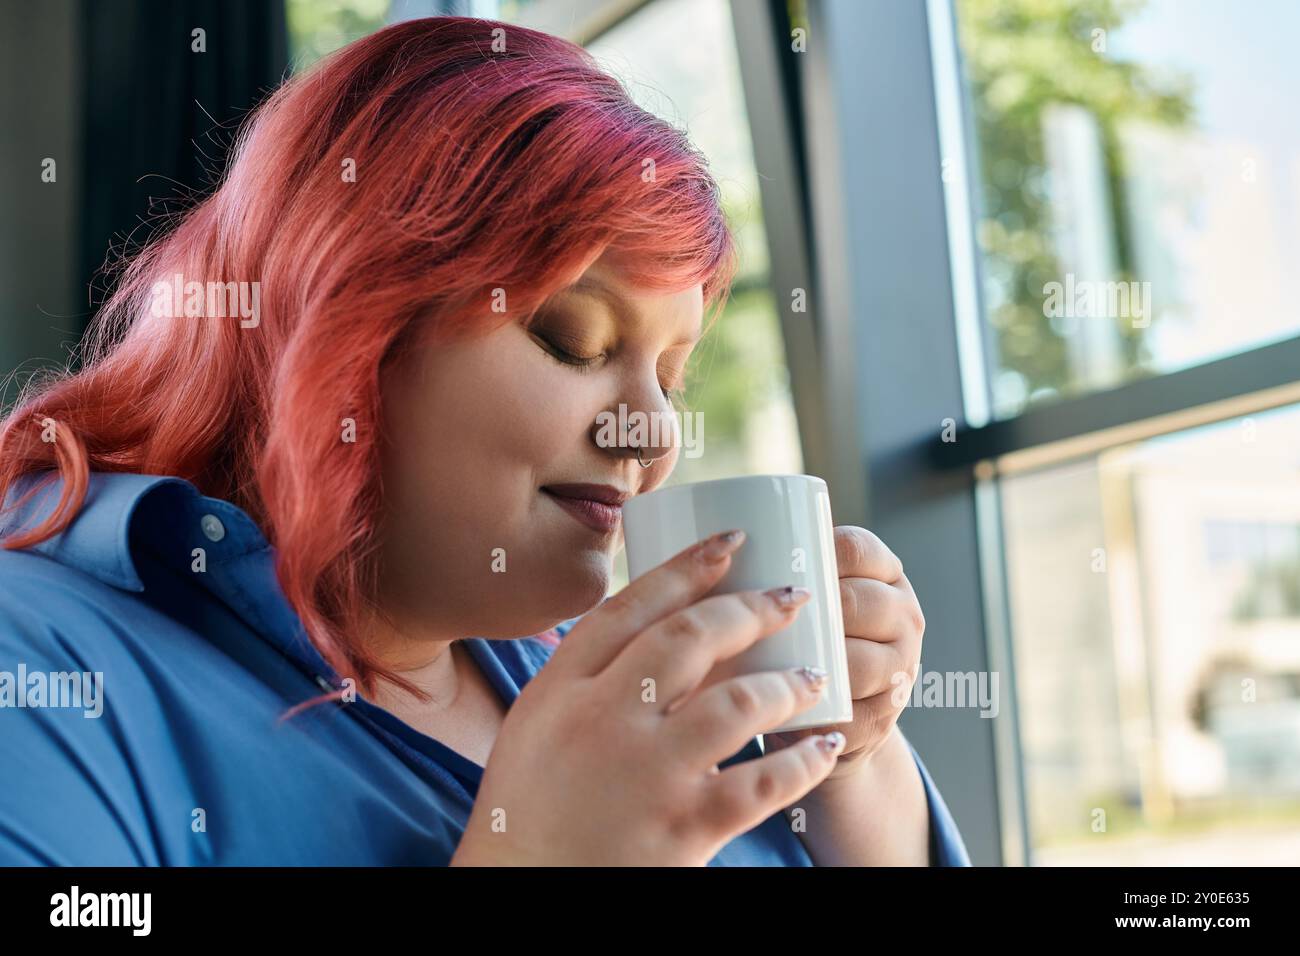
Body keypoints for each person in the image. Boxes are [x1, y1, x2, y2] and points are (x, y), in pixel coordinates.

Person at [0, 16, 970, 866]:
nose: (655, 431)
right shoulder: (42, 665)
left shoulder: (592, 679)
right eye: (570, 338)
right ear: (335, 320)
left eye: (671, 377)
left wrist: (851, 753)